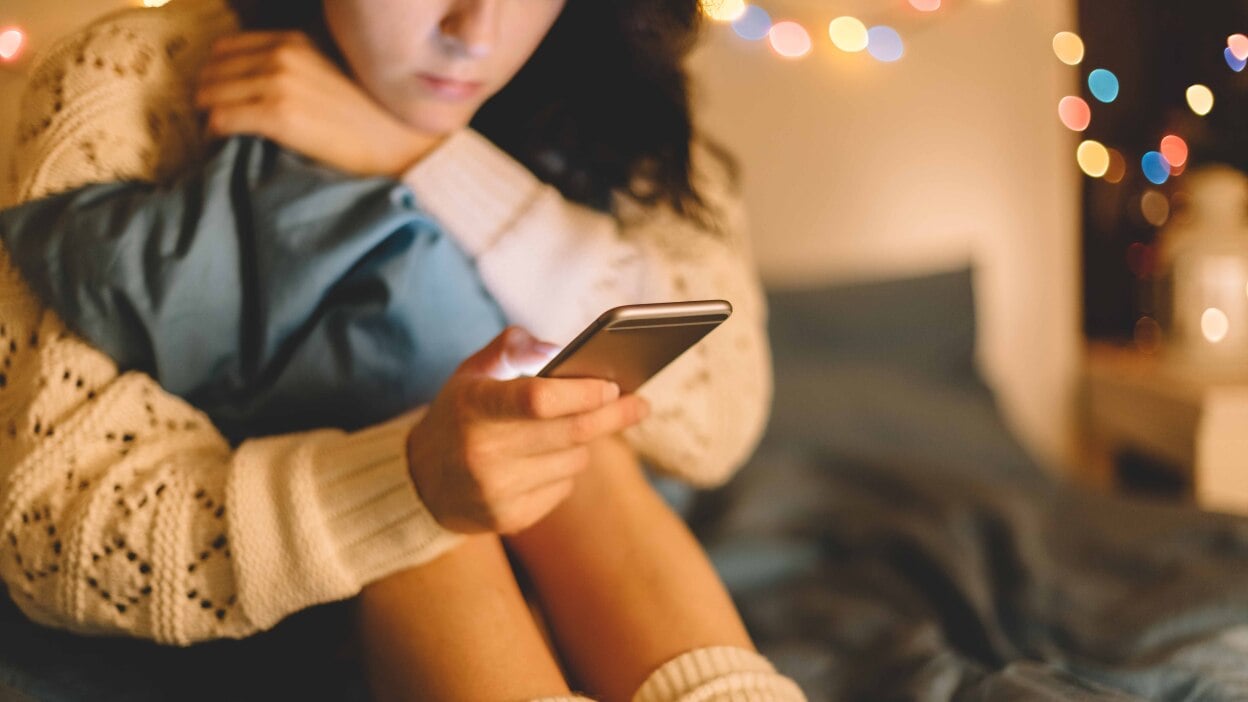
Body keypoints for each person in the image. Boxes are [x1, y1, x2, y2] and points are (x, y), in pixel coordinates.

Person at [0, 0, 803, 700]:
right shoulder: (134, 78)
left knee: (568, 425)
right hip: (310, 583)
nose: (473, 31)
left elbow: (717, 418)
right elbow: (52, 531)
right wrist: (410, 481)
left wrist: (418, 154)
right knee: (448, 461)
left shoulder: (616, 76)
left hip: (587, 545)